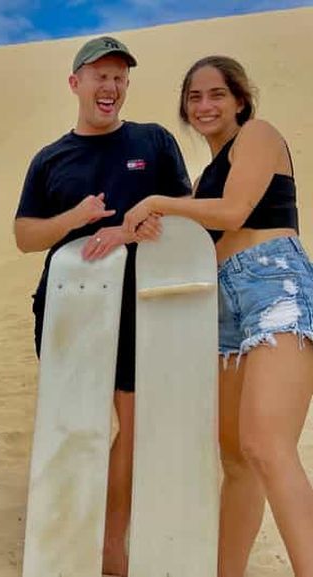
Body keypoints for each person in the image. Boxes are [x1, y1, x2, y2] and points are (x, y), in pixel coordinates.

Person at [123, 55, 313, 577]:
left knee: (267, 447)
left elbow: (233, 213)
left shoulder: (259, 136)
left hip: (273, 284)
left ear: (240, 100)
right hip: (225, 307)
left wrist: (162, 201)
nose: (204, 105)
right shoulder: (208, 176)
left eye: (216, 95)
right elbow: (203, 235)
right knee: (235, 461)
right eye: (194, 97)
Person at [13, 36, 192, 576]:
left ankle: (112, 546)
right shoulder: (51, 158)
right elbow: (24, 235)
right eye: (99, 76)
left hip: (141, 306)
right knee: (76, 423)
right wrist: (75, 218)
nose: (109, 87)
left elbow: (186, 213)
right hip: (70, 305)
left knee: (133, 428)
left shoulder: (154, 141)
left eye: (119, 77)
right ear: (76, 84)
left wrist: (140, 224)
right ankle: (69, 534)